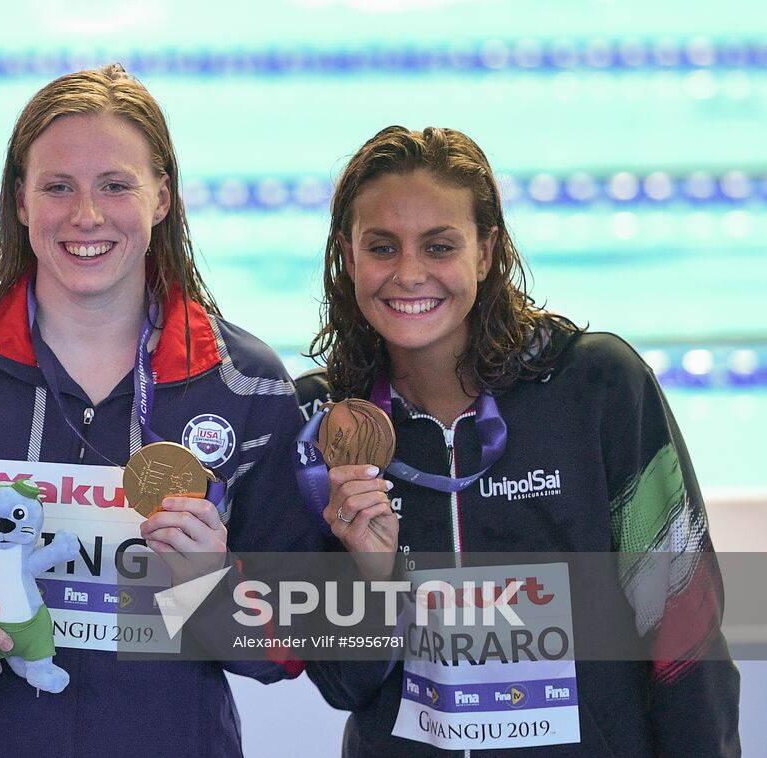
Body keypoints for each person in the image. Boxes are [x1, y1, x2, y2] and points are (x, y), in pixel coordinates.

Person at [0, 64, 322, 756]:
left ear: (162, 197)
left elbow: (293, 646)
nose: (86, 216)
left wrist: (211, 587)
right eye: (58, 187)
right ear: (20, 200)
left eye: (116, 185)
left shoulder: (245, 387)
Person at [296, 125, 740, 755]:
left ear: (485, 251)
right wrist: (375, 581)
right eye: (382, 247)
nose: (410, 273)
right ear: (348, 254)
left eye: (440, 246)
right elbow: (345, 683)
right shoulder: (325, 426)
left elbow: (684, 633)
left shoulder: (596, 389)